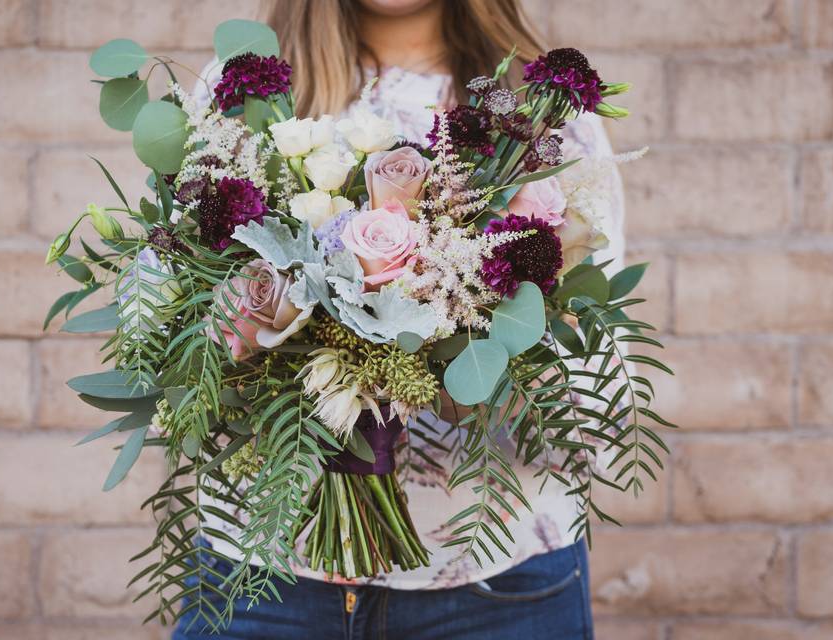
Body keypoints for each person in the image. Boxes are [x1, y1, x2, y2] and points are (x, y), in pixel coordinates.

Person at [175, 1, 626, 637]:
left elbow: (584, 347)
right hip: (263, 578)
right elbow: (179, 300)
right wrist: (266, 340)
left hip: (494, 585)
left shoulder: (541, 111)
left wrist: (470, 366)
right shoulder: (242, 89)